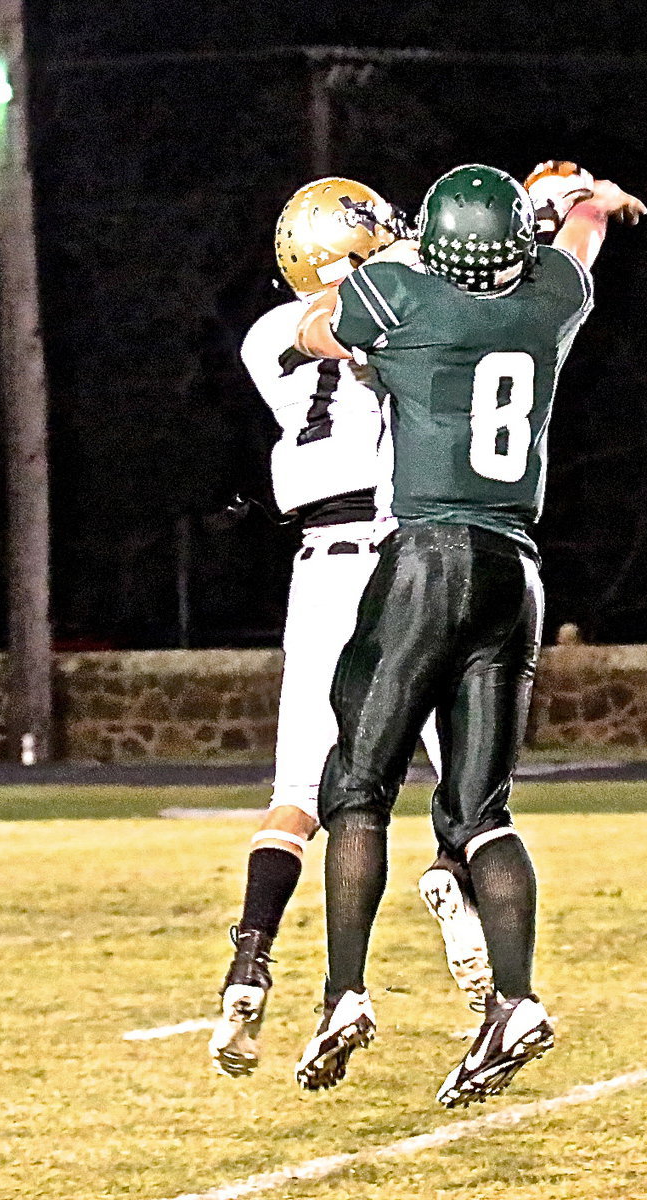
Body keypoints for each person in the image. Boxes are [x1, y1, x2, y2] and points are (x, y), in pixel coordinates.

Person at [291, 161, 646, 1106]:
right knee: (480, 813)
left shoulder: (401, 292)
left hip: (425, 559)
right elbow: (581, 237)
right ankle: (516, 1000)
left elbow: (313, 328)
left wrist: (390, 254)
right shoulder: (549, 298)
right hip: (513, 571)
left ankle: (342, 995)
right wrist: (588, 200)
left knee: (356, 789)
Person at [208, 177, 492, 1080]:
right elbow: (371, 321)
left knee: (298, 787)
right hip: (405, 548)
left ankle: (248, 965)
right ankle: (455, 882)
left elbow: (331, 323)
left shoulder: (266, 334)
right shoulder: (388, 307)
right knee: (458, 764)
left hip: (321, 567)